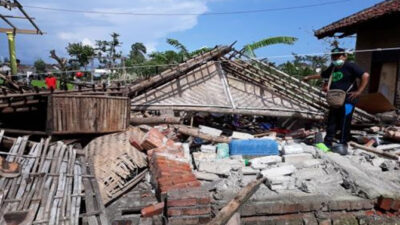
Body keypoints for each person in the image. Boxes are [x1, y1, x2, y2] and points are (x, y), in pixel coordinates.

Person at [303, 47, 370, 155]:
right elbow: (322, 75)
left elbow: (365, 76)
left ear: (344, 56)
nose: (335, 58)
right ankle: (327, 143)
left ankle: (343, 143)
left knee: (345, 120)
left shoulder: (350, 66)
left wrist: (359, 91)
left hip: (349, 98)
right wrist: (308, 77)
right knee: (332, 120)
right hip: (335, 98)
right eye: (333, 56)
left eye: (338, 56)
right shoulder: (333, 67)